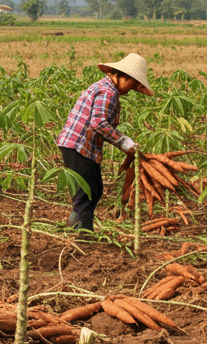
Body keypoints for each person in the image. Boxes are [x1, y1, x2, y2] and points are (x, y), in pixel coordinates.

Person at [56, 53, 153, 231]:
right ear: (123, 76)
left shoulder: (107, 88)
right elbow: (98, 123)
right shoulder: (108, 92)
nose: (132, 89)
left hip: (79, 145)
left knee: (94, 189)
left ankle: (72, 227)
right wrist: (125, 143)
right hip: (78, 145)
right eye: (133, 84)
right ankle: (82, 233)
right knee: (87, 191)